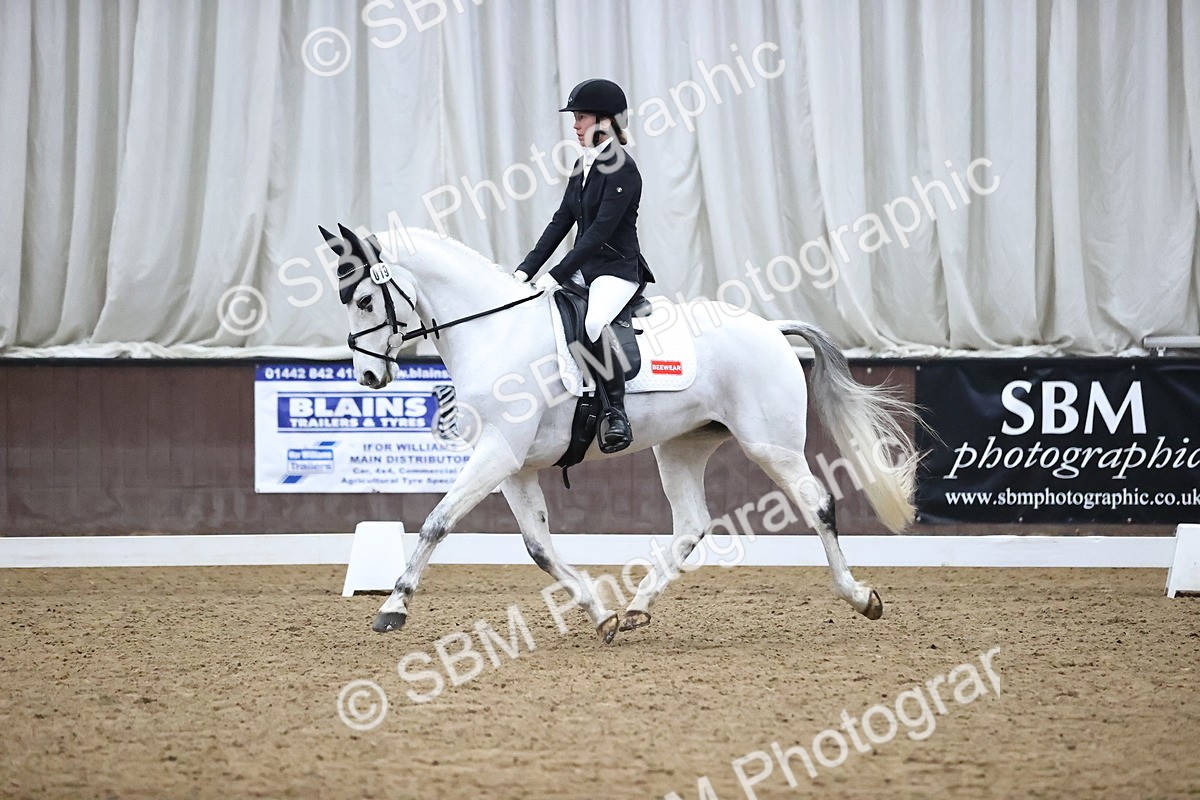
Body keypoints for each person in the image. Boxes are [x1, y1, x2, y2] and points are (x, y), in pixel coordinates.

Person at [514, 78, 652, 454]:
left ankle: (615, 413)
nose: (575, 125)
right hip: (586, 268)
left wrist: (556, 275)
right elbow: (561, 221)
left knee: (593, 322)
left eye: (581, 117)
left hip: (616, 269)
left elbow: (597, 234)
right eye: (575, 117)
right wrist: (524, 271)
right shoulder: (582, 164)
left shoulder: (623, 168)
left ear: (605, 121)